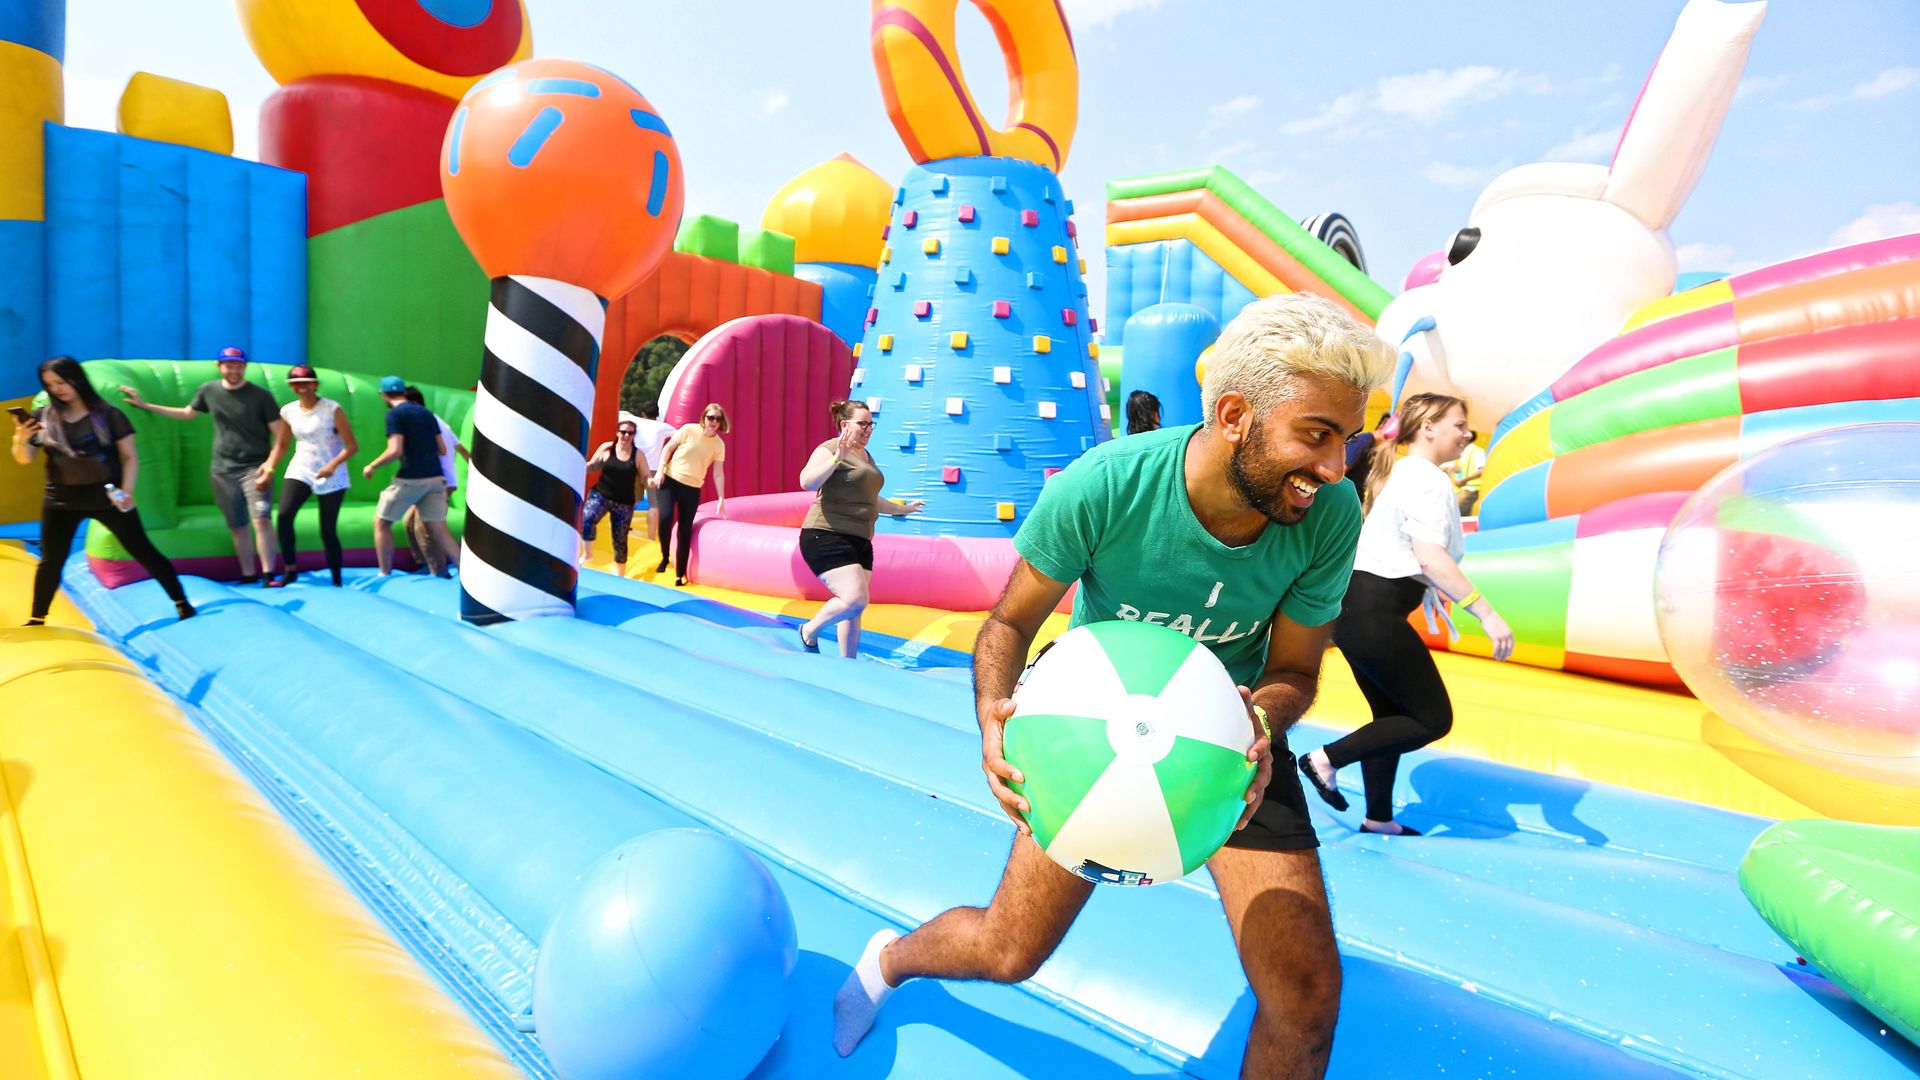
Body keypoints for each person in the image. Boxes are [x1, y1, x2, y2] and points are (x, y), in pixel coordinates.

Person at [832, 293, 1397, 1078]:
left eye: (1347, 438)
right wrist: (995, 725)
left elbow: (1295, 672)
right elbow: (1006, 625)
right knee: (1008, 949)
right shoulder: (1106, 486)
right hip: (1092, 734)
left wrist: (1258, 724)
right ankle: (890, 961)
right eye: (1317, 435)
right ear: (1235, 414)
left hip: (1236, 746)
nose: (1337, 468)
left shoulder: (1328, 515)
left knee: (1305, 999)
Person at [1298, 393, 1516, 838]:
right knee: (1431, 718)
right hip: (1373, 609)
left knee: (1391, 717)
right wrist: (1487, 613)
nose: (1466, 435)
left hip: (1358, 608)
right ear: (1429, 427)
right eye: (1459, 425)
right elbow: (1431, 557)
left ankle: (1377, 816)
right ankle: (1325, 758)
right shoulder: (1427, 479)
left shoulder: (1405, 473)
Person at [13, 357, 194, 624]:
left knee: (143, 551)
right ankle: (37, 618)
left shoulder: (109, 415)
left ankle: (181, 602)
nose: (57, 389)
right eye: (50, 385)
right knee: (51, 561)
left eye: (61, 382)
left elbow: (129, 457)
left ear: (77, 379)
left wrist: (128, 491)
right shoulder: (45, 417)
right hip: (60, 500)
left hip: (106, 497)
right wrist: (21, 438)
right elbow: (24, 458)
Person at [120, 345, 283, 584]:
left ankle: (269, 574)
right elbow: (187, 413)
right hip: (222, 470)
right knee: (237, 524)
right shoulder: (209, 390)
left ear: (245, 367)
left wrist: (269, 466)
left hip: (254, 467)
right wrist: (145, 406)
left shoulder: (261, 397)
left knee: (261, 519)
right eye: (229, 365)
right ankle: (248, 574)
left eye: (238, 365)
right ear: (220, 367)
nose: (234, 370)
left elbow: (280, 436)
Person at [795, 401, 925, 657]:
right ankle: (809, 630)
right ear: (845, 425)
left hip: (860, 540)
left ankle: (849, 664)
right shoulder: (831, 449)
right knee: (855, 599)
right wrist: (836, 459)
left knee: (854, 610)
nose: (868, 429)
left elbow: (869, 498)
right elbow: (806, 482)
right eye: (862, 424)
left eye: (870, 424)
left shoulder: (866, 456)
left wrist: (903, 509)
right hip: (827, 534)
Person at [259, 365, 357, 587]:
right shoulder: (289, 411)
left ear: (315, 385)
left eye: (306, 383)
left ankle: (336, 579)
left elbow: (351, 446)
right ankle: (290, 569)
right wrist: (269, 468)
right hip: (301, 467)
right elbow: (282, 444)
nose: (301, 388)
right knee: (284, 515)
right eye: (296, 385)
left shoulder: (332, 409)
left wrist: (333, 464)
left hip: (330, 470)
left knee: (327, 528)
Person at [361, 376, 458, 577]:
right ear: (404, 392)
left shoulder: (394, 415)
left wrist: (372, 466)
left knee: (381, 522)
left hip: (410, 479)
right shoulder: (427, 414)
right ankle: (470, 575)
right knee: (440, 531)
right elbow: (441, 449)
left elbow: (395, 450)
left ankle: (384, 572)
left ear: (383, 395)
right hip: (436, 479)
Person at [649, 402, 728, 587]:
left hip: (692, 488)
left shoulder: (718, 445)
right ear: (704, 417)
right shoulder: (688, 430)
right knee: (666, 518)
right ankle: (664, 556)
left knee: (685, 529)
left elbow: (718, 473)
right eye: (711, 417)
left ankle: (679, 573)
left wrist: (721, 497)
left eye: (717, 419)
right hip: (669, 480)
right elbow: (668, 448)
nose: (714, 422)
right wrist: (660, 471)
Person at [400, 387, 470, 576]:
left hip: (438, 483)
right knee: (409, 521)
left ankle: (439, 570)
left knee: (426, 527)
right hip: (437, 482)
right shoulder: (436, 421)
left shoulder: (425, 424)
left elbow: (439, 451)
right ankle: (424, 563)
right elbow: (461, 449)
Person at [581, 417, 645, 578]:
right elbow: (593, 465)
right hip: (601, 494)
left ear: (634, 435)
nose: (626, 436)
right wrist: (579, 465)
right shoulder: (607, 448)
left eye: (630, 433)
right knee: (587, 518)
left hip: (623, 502)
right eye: (623, 432)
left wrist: (651, 481)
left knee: (620, 539)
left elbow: (644, 476)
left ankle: (620, 575)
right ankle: (588, 554)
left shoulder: (637, 455)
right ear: (617, 433)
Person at [627, 401, 675, 543]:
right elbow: (680, 433)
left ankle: (625, 528)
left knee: (631, 499)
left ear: (643, 413)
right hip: (653, 469)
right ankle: (652, 537)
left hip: (635, 465)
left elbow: (621, 415)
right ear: (657, 414)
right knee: (654, 504)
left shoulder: (636, 422)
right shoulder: (663, 427)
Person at [1444, 432, 1487, 517]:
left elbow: (1482, 470)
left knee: (1452, 513)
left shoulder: (1476, 451)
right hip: (1461, 489)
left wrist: (1464, 480)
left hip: (1471, 489)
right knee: (1462, 517)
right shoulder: (1462, 452)